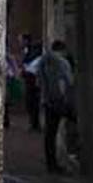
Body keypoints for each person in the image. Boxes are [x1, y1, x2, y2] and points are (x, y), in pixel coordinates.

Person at [27, 40, 74, 174]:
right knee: (74, 122)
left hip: (47, 100)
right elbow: (69, 81)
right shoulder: (63, 63)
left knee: (50, 134)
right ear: (62, 50)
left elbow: (38, 81)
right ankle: (75, 152)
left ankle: (51, 163)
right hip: (60, 100)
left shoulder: (42, 62)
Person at [20, 34, 42, 131]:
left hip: (33, 79)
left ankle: (35, 124)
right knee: (30, 102)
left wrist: (25, 70)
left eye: (21, 40)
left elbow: (32, 66)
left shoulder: (34, 51)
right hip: (29, 79)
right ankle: (33, 123)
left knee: (33, 102)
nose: (20, 43)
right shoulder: (27, 50)